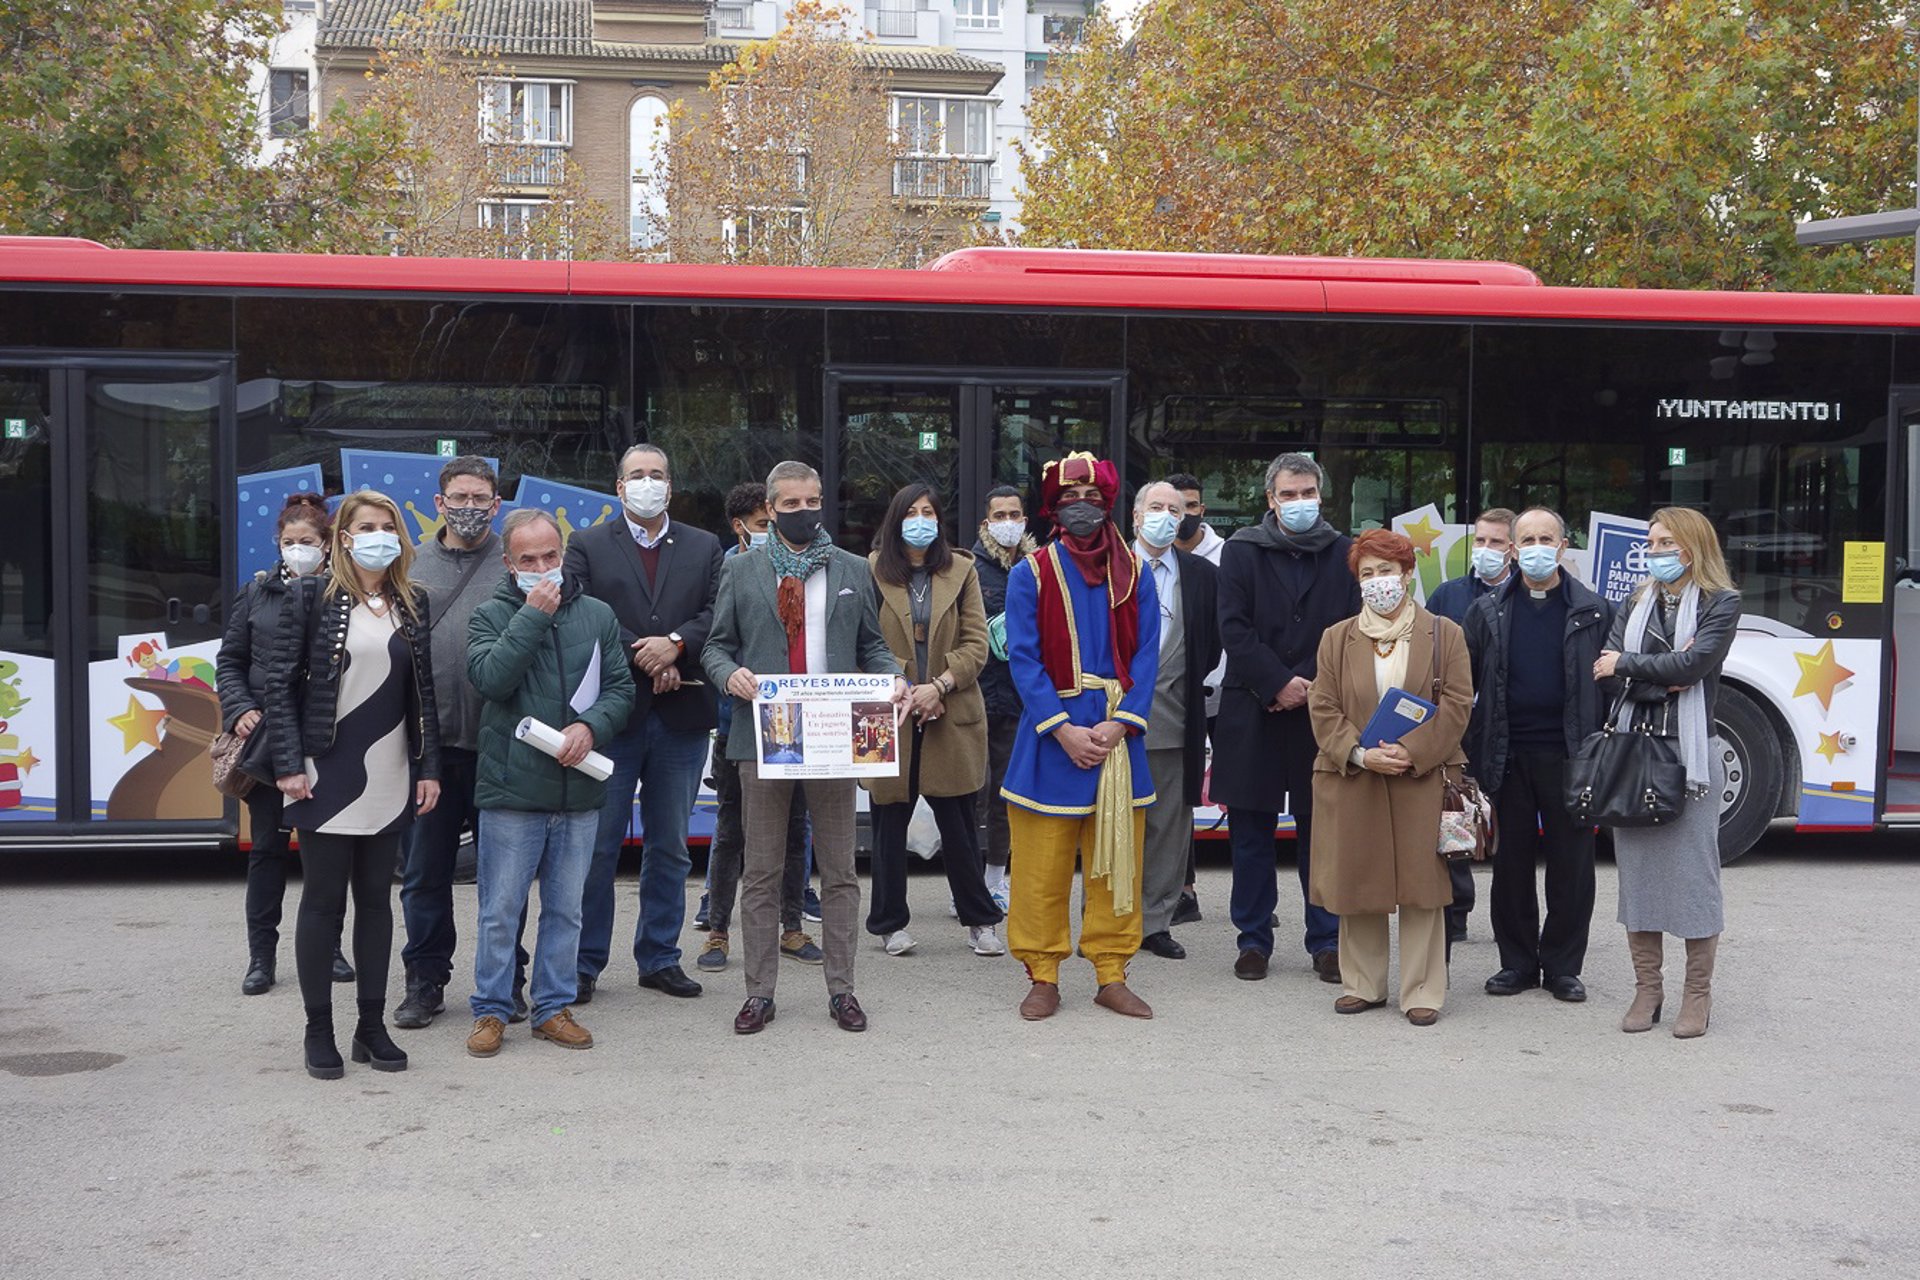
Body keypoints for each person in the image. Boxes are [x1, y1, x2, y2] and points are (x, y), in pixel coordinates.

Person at [701, 461, 905, 1035]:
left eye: (812, 501)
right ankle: (758, 994)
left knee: (839, 871)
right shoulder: (742, 570)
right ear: (769, 509)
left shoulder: (850, 569)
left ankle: (843, 990)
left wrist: (893, 678)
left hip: (834, 737)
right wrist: (730, 675)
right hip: (766, 737)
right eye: (789, 505)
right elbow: (716, 647)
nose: (803, 512)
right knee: (761, 871)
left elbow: (874, 645)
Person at [266, 490, 441, 1080]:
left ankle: (371, 1026)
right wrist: (288, 764)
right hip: (324, 771)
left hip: (391, 770)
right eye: (367, 526)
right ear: (343, 536)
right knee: (321, 903)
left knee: (376, 902)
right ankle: (320, 1030)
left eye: (388, 526)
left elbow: (424, 698)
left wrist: (430, 767)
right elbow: (279, 687)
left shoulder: (410, 601)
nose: (379, 536)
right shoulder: (311, 596)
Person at [462, 510, 636, 1058]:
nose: (542, 568)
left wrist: (592, 726)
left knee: (567, 908)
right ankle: (491, 1011)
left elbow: (620, 690)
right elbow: (491, 679)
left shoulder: (599, 615)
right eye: (529, 560)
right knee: (501, 909)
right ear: (510, 564)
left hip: (577, 789)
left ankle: (552, 1008)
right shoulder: (489, 614)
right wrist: (532, 617)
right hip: (513, 789)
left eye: (550, 557)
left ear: (562, 554)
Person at [1000, 452, 1159, 1021]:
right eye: (1070, 499)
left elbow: (1147, 655)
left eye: (1093, 498)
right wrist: (1063, 729)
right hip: (1052, 739)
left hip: (1119, 734)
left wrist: (1120, 724)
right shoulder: (1031, 572)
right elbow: (1022, 658)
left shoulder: (1135, 573)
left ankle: (1111, 972)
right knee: (1040, 866)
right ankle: (1043, 974)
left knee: (1116, 862)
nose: (1082, 508)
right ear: (1054, 509)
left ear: (1108, 503)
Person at [565, 444, 724, 1004]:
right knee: (599, 846)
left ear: (670, 487)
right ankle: (583, 964)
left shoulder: (706, 546)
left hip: (680, 715)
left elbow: (716, 611)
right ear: (619, 487)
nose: (647, 483)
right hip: (611, 717)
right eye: (637, 475)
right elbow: (580, 613)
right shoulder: (585, 545)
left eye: (657, 474)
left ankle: (659, 958)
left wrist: (676, 645)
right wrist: (645, 653)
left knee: (671, 847)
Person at [1305, 529, 1472, 1026]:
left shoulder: (1445, 633)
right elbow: (1323, 706)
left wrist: (1411, 750)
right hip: (1355, 776)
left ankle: (1423, 990)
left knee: (1424, 886)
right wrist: (1357, 753)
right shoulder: (1336, 638)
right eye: (1368, 573)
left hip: (1422, 776)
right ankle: (1362, 983)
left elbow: (1458, 706)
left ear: (1407, 574)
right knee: (1358, 879)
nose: (1379, 582)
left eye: (1387, 571)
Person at [1593, 507, 1739, 1039]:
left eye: (1664, 542)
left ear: (1692, 547)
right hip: (1635, 752)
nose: (1653, 551)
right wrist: (1657, 675)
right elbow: (1605, 677)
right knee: (1639, 877)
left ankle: (1696, 996)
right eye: (1650, 542)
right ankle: (1647, 990)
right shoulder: (1634, 602)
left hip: (1691, 756)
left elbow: (1695, 665)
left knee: (1695, 877)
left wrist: (1631, 666)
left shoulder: (1723, 603)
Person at [1213, 453, 1359, 984]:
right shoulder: (1242, 550)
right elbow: (1233, 627)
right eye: (1288, 494)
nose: (1299, 503)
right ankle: (1253, 938)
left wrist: (1309, 686)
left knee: (1320, 832)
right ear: (1270, 499)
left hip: (1320, 713)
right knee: (1251, 831)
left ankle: (1325, 940)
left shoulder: (1344, 552)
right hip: (1253, 708)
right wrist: (1277, 682)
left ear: (1321, 495)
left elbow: (1351, 629)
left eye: (1307, 493)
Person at [394, 456, 522, 1031]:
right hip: (430, 751)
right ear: (440, 502)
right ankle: (424, 981)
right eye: (459, 497)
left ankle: (506, 981)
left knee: (505, 876)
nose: (469, 508)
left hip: (503, 746)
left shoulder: (515, 562)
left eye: (481, 498)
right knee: (425, 873)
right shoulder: (410, 563)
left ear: (497, 505)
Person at [1464, 508, 1611, 1003]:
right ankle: (1518, 964)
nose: (1536, 547)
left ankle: (1564, 966)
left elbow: (1612, 685)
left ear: (1563, 546)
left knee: (1573, 865)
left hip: (1573, 757)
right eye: (1526, 539)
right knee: (1511, 866)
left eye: (1546, 537)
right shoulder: (1487, 611)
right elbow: (1466, 684)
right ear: (1512, 548)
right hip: (1507, 756)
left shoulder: (1594, 610)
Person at [217, 493, 354, 995]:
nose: (297, 550)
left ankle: (330, 946)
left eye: (307, 542)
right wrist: (239, 709)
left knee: (329, 853)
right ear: (278, 543)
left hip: (327, 740)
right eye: (288, 542)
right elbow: (230, 659)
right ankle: (262, 957)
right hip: (268, 740)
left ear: (326, 545)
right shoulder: (256, 593)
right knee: (268, 851)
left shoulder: (343, 593)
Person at [864, 482, 1002, 958]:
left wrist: (939, 686)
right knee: (887, 824)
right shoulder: (869, 571)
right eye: (911, 512)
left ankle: (980, 921)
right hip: (888, 709)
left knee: (960, 826)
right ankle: (888, 923)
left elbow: (976, 644)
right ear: (895, 519)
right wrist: (905, 684)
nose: (920, 519)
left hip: (951, 708)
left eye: (929, 512)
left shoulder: (961, 570)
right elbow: (865, 641)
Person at [698, 482, 820, 975]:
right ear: (743, 526)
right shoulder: (732, 569)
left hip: (804, 723)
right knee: (732, 831)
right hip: (742, 728)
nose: (773, 532)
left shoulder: (817, 566)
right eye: (766, 524)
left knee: (796, 829)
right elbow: (717, 644)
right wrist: (731, 676)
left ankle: (792, 926)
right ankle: (717, 930)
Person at [1131, 480, 1220, 961]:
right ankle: (1110, 917)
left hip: (1174, 719)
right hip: (1111, 724)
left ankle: (1155, 921)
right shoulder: (1108, 567)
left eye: (1178, 508)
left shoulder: (1202, 575)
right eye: (1157, 507)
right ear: (1137, 514)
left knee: (1168, 826)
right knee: (1113, 825)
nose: (1168, 515)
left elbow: (1211, 646)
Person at [1424, 506, 1516, 942]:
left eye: (1496, 542)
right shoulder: (1448, 595)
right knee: (1455, 815)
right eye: (1480, 541)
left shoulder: (1522, 596)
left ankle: (1512, 924)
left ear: (1512, 549)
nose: (1486, 550)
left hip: (1508, 728)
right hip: (1457, 728)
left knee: (1509, 827)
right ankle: (1456, 911)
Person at [970, 485, 1034, 911]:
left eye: (1015, 514)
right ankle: (969, 883)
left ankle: (995, 879)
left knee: (1005, 795)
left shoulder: (1036, 566)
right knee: (971, 792)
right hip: (975, 696)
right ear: (986, 523)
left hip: (1020, 698)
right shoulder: (968, 569)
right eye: (1000, 515)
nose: (1008, 522)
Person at [1165, 471, 1222, 926]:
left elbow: (1218, 638)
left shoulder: (1223, 559)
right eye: (1169, 508)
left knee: (1210, 795)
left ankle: (1183, 894)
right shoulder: (1131, 561)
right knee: (1167, 797)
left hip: (1215, 695)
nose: (1180, 517)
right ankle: (1177, 891)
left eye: (1189, 507)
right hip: (1159, 701)